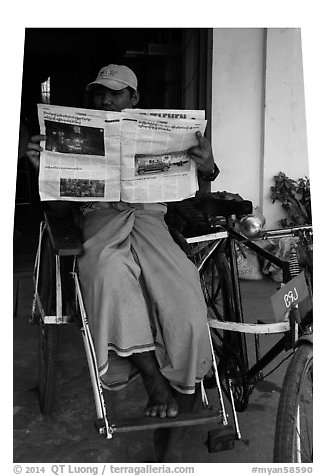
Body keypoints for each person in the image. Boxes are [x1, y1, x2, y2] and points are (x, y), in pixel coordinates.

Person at [26, 64, 219, 426]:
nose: (105, 100)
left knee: (184, 290)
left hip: (150, 219)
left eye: (115, 93)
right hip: (99, 218)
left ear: (134, 98)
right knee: (107, 274)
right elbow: (56, 209)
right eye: (100, 93)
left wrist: (208, 167)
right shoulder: (73, 135)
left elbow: (197, 188)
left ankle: (187, 376)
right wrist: (43, 169)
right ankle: (152, 378)